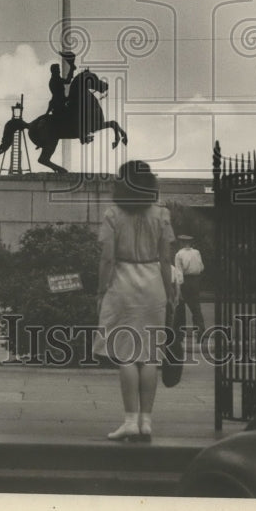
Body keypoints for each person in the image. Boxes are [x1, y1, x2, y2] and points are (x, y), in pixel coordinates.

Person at [93, 161, 174, 442]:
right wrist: (170, 292)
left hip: (123, 284)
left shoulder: (113, 214)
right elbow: (166, 259)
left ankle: (129, 420)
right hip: (153, 284)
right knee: (150, 354)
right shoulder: (162, 214)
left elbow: (107, 258)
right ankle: (146, 422)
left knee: (125, 354)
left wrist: (101, 290)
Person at [175, 235, 205, 338]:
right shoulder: (197, 252)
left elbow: (179, 272)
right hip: (196, 280)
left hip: (185, 280)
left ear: (182, 243)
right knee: (196, 306)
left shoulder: (179, 254)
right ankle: (200, 329)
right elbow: (201, 267)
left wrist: (179, 288)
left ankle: (179, 332)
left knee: (180, 306)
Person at [46, 50, 76, 119]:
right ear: (55, 71)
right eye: (58, 70)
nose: (59, 71)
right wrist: (71, 69)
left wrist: (72, 69)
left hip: (59, 102)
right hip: (59, 104)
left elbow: (67, 81)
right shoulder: (55, 80)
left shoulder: (55, 79)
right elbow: (68, 81)